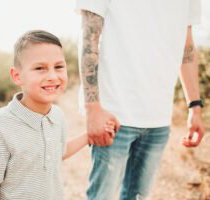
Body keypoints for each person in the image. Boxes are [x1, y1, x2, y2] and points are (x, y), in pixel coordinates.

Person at [76, 0, 205, 199]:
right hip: (113, 115)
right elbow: (88, 36)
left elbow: (186, 46)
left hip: (158, 118)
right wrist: (92, 108)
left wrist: (194, 106)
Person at [0, 30, 115, 200]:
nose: (52, 76)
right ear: (17, 76)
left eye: (59, 67)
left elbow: (58, 152)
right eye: (40, 68)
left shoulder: (57, 116)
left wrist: (90, 135)